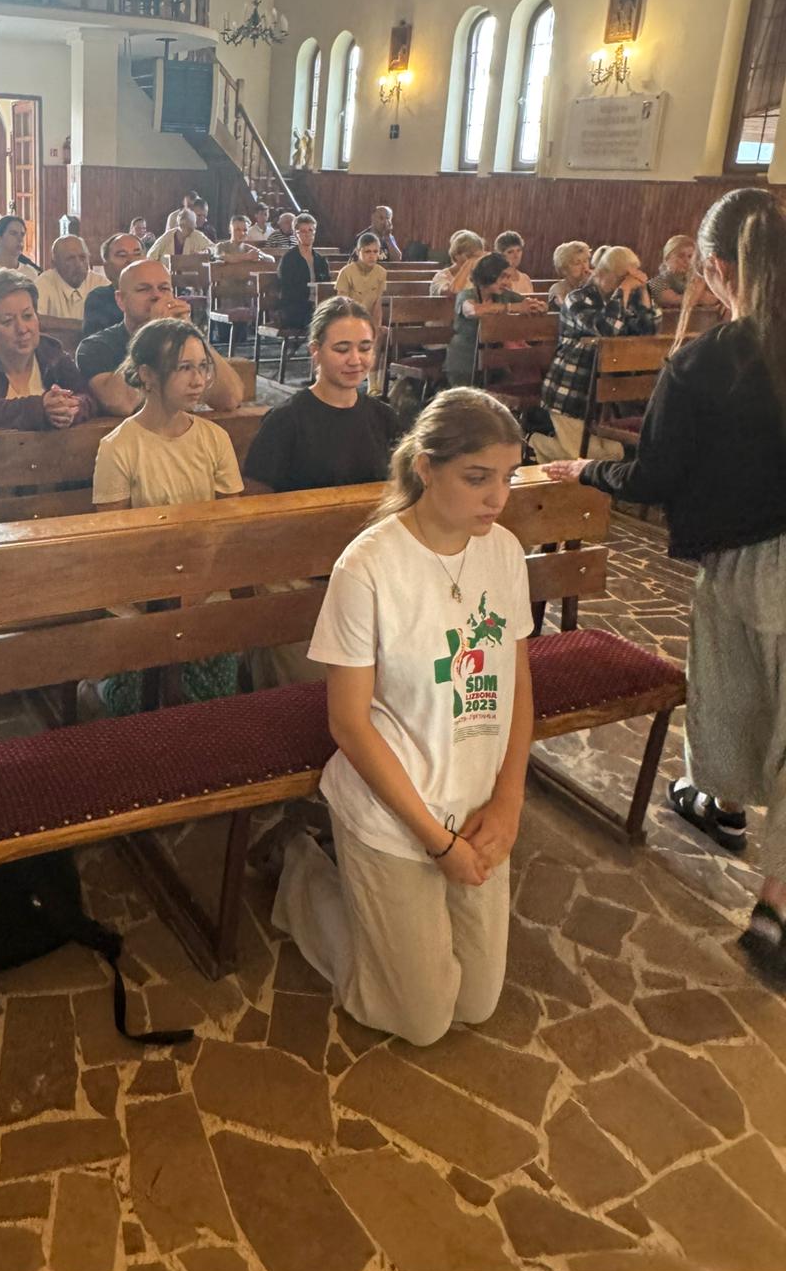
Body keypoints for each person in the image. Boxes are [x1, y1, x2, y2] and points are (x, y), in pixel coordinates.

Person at [545, 188, 786, 980]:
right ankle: (739, 839)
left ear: (714, 268)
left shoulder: (708, 360)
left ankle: (763, 877)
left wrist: (586, 470)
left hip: (756, 564)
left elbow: (656, 476)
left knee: (739, 695)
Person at [272, 388, 533, 1042]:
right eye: (477, 478)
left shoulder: (502, 550)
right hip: (393, 810)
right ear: (425, 467)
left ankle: (394, 919)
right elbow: (349, 724)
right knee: (418, 1019)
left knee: (477, 1001)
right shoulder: (369, 566)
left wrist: (508, 800)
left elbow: (517, 683)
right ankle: (301, 875)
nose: (497, 498)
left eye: (508, 476)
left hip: (475, 801)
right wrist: (436, 842)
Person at [91, 317, 243, 714]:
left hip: (205, 583)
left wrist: (195, 590)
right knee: (139, 702)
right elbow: (115, 542)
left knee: (211, 700)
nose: (198, 380)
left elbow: (229, 528)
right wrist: (161, 599)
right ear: (147, 375)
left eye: (202, 367)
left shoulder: (215, 439)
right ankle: (104, 689)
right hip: (138, 591)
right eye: (183, 368)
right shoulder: (119, 446)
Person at [244, 297, 400, 493]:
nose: (355, 360)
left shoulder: (385, 418)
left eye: (365, 348)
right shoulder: (285, 421)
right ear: (315, 351)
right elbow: (256, 497)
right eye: (342, 349)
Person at [532, 244, 658, 461]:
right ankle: (533, 442)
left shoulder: (624, 300)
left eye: (628, 279)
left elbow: (649, 330)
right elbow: (606, 330)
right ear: (604, 273)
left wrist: (644, 292)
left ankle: (542, 446)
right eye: (622, 278)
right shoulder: (577, 299)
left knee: (612, 453)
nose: (626, 284)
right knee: (584, 458)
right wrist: (623, 291)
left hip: (604, 397)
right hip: (570, 391)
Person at [76, 259, 243, 417]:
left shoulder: (186, 343)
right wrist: (154, 331)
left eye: (164, 289)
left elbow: (230, 399)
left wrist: (192, 332)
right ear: (121, 300)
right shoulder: (95, 347)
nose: (156, 296)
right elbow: (121, 403)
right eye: (144, 289)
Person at [0, 268, 93, 430]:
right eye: (7, 321)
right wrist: (39, 408)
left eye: (28, 316)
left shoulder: (52, 354)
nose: (22, 329)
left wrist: (69, 408)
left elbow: (87, 396)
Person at [445, 252, 545, 388]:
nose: (507, 283)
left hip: (495, 363)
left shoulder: (504, 295)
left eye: (509, 277)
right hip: (464, 363)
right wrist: (511, 307)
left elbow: (528, 304)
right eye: (503, 276)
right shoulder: (466, 294)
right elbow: (473, 310)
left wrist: (539, 306)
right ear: (489, 274)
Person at [83, 232, 144, 337]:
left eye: (137, 254)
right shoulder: (99, 299)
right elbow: (96, 343)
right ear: (107, 268)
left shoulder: (158, 294)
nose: (132, 261)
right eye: (122, 255)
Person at [34, 235, 108, 320]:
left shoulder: (101, 284)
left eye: (82, 257)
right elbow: (36, 320)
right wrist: (87, 326)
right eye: (70, 258)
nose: (79, 264)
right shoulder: (43, 284)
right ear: (54, 263)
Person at [277, 213, 329, 330]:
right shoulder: (289, 259)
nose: (307, 234)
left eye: (311, 230)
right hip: (296, 308)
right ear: (296, 234)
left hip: (318, 306)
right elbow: (286, 290)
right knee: (318, 321)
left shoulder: (320, 260)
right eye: (303, 231)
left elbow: (326, 285)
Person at [336, 234, 390, 329]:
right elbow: (343, 306)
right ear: (358, 252)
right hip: (349, 322)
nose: (372, 256)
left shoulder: (381, 273)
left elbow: (377, 305)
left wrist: (376, 329)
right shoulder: (346, 272)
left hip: (368, 323)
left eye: (375, 251)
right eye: (367, 251)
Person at [148, 207, 214, 262]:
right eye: (189, 227)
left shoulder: (196, 235)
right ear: (181, 225)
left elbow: (214, 248)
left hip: (190, 273)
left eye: (193, 227)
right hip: (166, 272)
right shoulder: (167, 237)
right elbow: (150, 256)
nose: (193, 229)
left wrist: (205, 252)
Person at [430, 231, 486, 296]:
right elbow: (450, 293)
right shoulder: (442, 276)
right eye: (469, 256)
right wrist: (467, 267)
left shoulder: (479, 277)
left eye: (477, 257)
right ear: (456, 255)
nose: (474, 260)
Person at [547, 241, 592, 310]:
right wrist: (584, 288)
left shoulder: (593, 285)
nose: (584, 267)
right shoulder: (558, 288)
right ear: (564, 270)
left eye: (585, 261)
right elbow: (568, 308)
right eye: (577, 263)